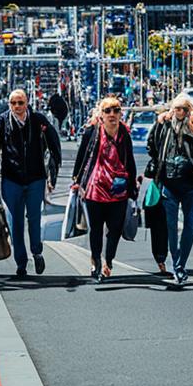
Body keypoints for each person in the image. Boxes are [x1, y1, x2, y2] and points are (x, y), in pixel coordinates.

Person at [145, 94, 193, 286]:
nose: (178, 112)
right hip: (169, 185)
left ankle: (181, 266)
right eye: (176, 108)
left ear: (189, 110)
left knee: (189, 226)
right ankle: (175, 262)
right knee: (171, 226)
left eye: (183, 109)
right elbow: (151, 145)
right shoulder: (164, 125)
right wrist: (158, 164)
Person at [0, 89, 62, 277]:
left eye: (20, 103)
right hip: (11, 180)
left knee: (34, 218)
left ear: (27, 104)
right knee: (15, 222)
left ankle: (37, 252)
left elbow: (53, 143)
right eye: (13, 103)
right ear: (9, 104)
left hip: (36, 179)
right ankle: (21, 263)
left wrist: (53, 170)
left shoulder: (38, 120)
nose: (17, 106)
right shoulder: (1, 123)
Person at [71, 96, 138, 283]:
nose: (112, 114)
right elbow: (82, 157)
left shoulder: (124, 133)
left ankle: (108, 258)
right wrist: (77, 181)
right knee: (96, 229)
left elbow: (130, 161)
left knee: (115, 228)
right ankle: (96, 262)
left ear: (120, 113)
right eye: (107, 111)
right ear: (101, 114)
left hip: (118, 188)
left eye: (116, 110)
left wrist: (133, 185)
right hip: (96, 188)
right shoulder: (92, 132)